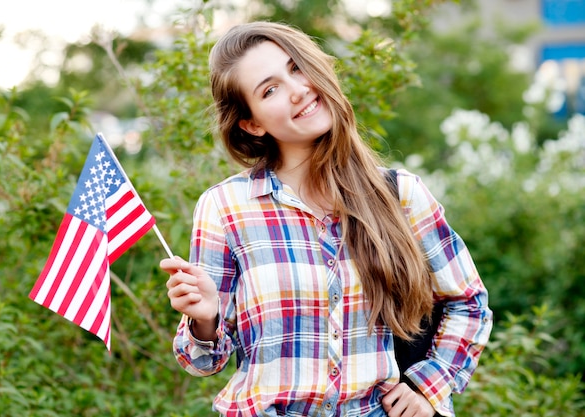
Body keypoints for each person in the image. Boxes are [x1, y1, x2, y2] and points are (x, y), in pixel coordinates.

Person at [160, 21, 492, 417]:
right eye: (270, 89)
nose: (297, 89)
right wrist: (206, 320)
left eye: (296, 68)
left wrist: (427, 387)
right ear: (253, 123)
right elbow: (201, 361)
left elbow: (468, 303)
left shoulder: (400, 195)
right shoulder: (225, 206)